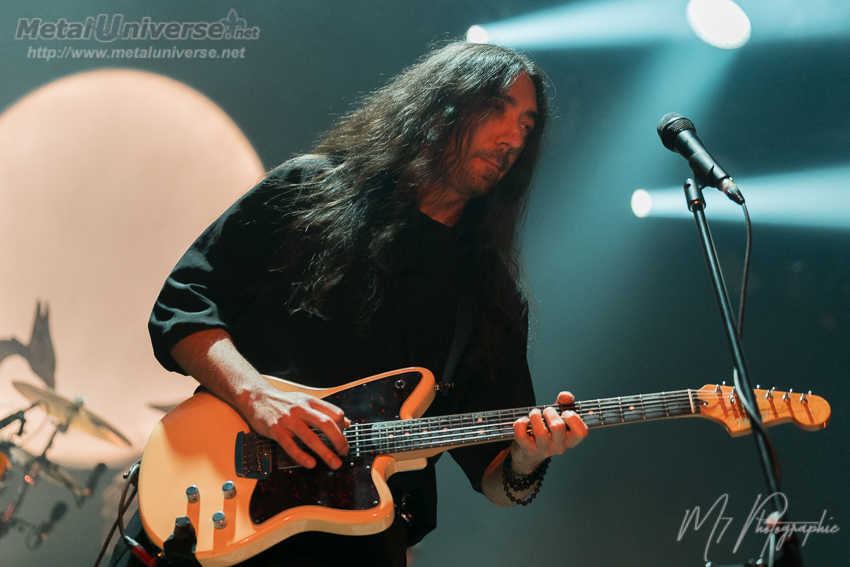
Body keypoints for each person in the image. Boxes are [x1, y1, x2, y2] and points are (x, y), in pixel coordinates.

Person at [129, 41, 588, 567]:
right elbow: (182, 304)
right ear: (440, 107)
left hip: (358, 547)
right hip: (215, 503)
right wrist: (257, 396)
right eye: (497, 109)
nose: (513, 138)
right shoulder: (310, 190)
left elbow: (496, 479)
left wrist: (526, 459)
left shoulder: (489, 296)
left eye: (527, 125)